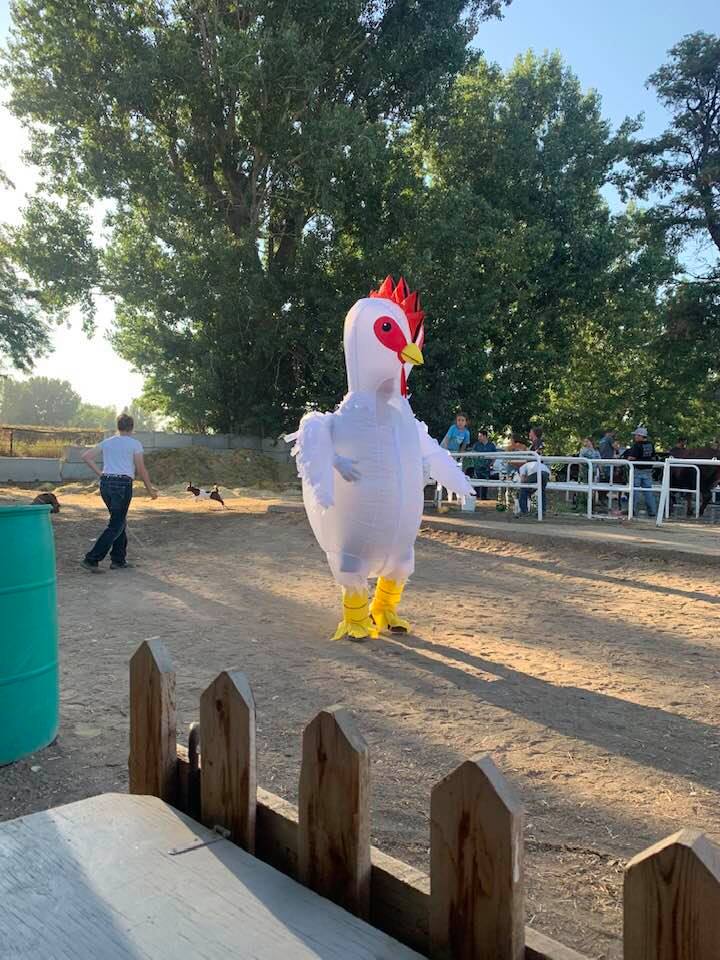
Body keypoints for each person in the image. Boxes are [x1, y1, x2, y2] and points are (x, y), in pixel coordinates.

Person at [81, 413, 157, 572]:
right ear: (132, 427)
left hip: (106, 484)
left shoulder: (107, 442)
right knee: (116, 523)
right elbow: (141, 469)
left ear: (118, 426)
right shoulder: (135, 444)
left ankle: (118, 559)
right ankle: (91, 559)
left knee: (119, 520)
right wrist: (150, 490)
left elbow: (86, 456)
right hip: (122, 485)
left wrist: (101, 473)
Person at [626, 426, 657, 518]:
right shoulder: (650, 445)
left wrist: (628, 458)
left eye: (636, 435)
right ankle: (652, 511)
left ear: (640, 436)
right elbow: (653, 456)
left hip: (638, 470)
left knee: (634, 490)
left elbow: (633, 457)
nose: (635, 437)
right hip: (648, 471)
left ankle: (632, 510)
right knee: (648, 491)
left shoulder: (637, 445)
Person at [470, 429, 496, 499]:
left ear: (485, 436)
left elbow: (495, 455)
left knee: (485, 481)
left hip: (487, 466)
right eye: (479, 436)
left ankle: (483, 497)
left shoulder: (491, 445)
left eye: (480, 436)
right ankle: (475, 496)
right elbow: (473, 453)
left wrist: (491, 464)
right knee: (477, 481)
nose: (479, 438)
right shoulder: (476, 445)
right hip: (478, 466)